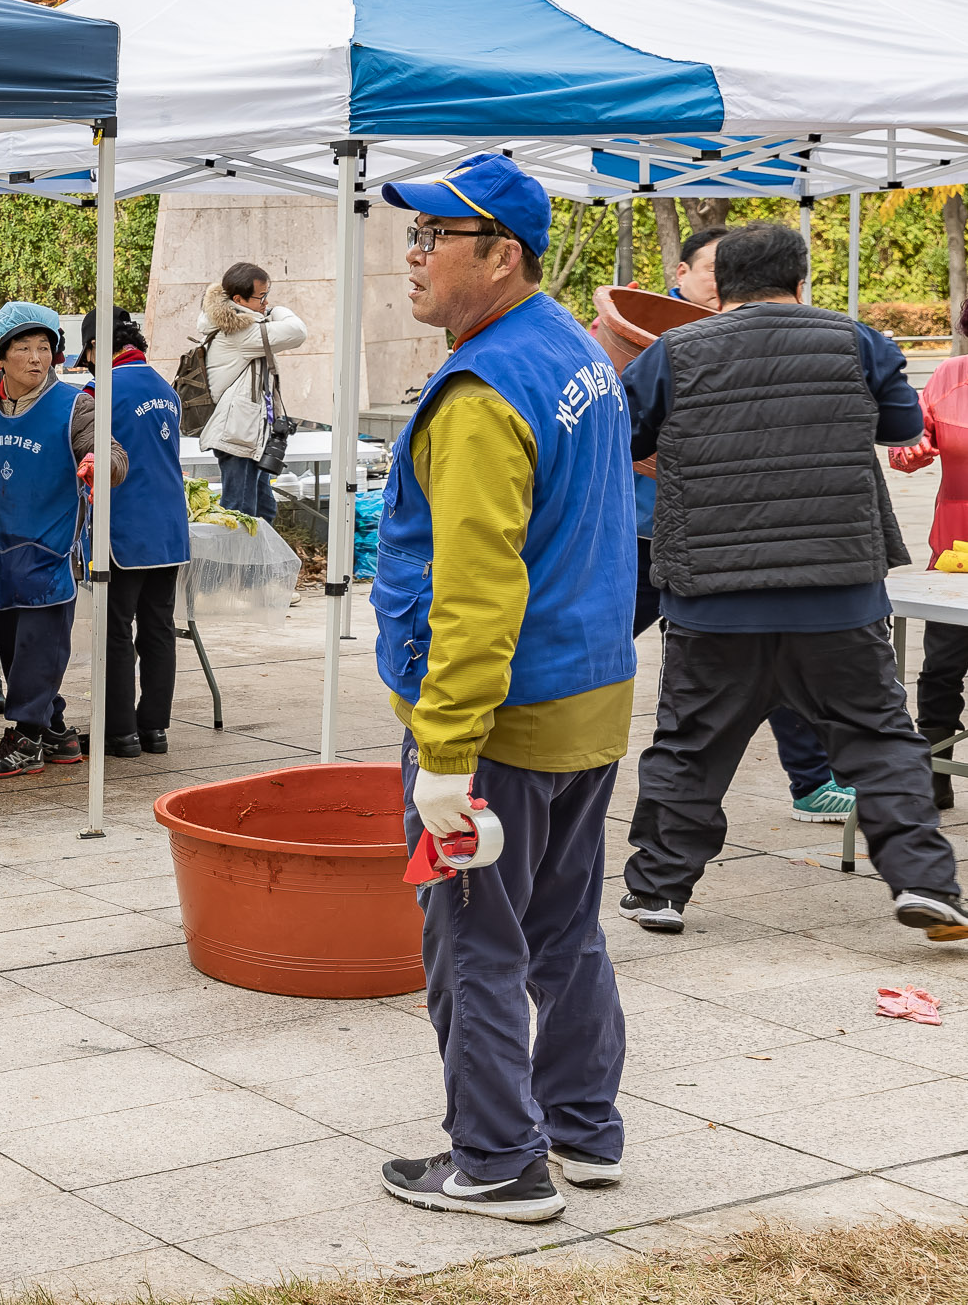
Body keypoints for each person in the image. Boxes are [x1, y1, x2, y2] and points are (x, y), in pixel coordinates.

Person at [370, 154, 634, 1224]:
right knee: (564, 922)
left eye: (435, 235)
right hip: (586, 695)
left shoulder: (484, 390)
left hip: (500, 721)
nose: (414, 258)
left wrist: (444, 751)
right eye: (412, 236)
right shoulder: (571, 346)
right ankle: (582, 1127)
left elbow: (476, 589)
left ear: (501, 254)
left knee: (475, 937)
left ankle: (495, 1159)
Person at [619, 221, 967, 942]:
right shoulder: (858, 340)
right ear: (801, 280)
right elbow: (902, 425)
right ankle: (927, 884)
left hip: (713, 596)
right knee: (879, 736)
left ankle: (659, 891)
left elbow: (628, 440)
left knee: (690, 741)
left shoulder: (673, 352)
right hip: (836, 594)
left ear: (721, 287)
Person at [618, 229, 855, 824]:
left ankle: (809, 781)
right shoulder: (650, 346)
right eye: (712, 269)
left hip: (721, 542)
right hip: (641, 533)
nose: (724, 282)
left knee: (770, 656)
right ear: (681, 272)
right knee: (598, 639)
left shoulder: (766, 343)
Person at [0, 302, 124, 780]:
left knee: (40, 645)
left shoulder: (74, 405)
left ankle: (25, 738)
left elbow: (112, 453)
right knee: (12, 646)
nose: (37, 358)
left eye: (45, 348)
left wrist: (101, 465)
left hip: (50, 550)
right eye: (24, 348)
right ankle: (55, 731)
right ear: (1, 356)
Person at [79, 308, 185, 758]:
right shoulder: (166, 388)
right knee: (160, 628)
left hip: (121, 526)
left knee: (116, 629)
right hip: (170, 527)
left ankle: (119, 733)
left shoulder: (97, 393)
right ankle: (154, 729)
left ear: (97, 348)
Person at [891, 306, 968, 810]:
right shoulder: (949, 376)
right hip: (958, 548)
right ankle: (935, 768)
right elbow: (905, 442)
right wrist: (912, 450)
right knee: (943, 663)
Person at [193, 262, 305, 524]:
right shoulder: (239, 332)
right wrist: (277, 310)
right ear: (238, 299)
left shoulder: (242, 324)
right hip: (237, 437)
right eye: (261, 297)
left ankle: (256, 565)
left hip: (249, 435)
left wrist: (265, 309)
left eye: (268, 295)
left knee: (263, 510)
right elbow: (298, 332)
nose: (266, 303)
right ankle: (237, 565)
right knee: (239, 512)